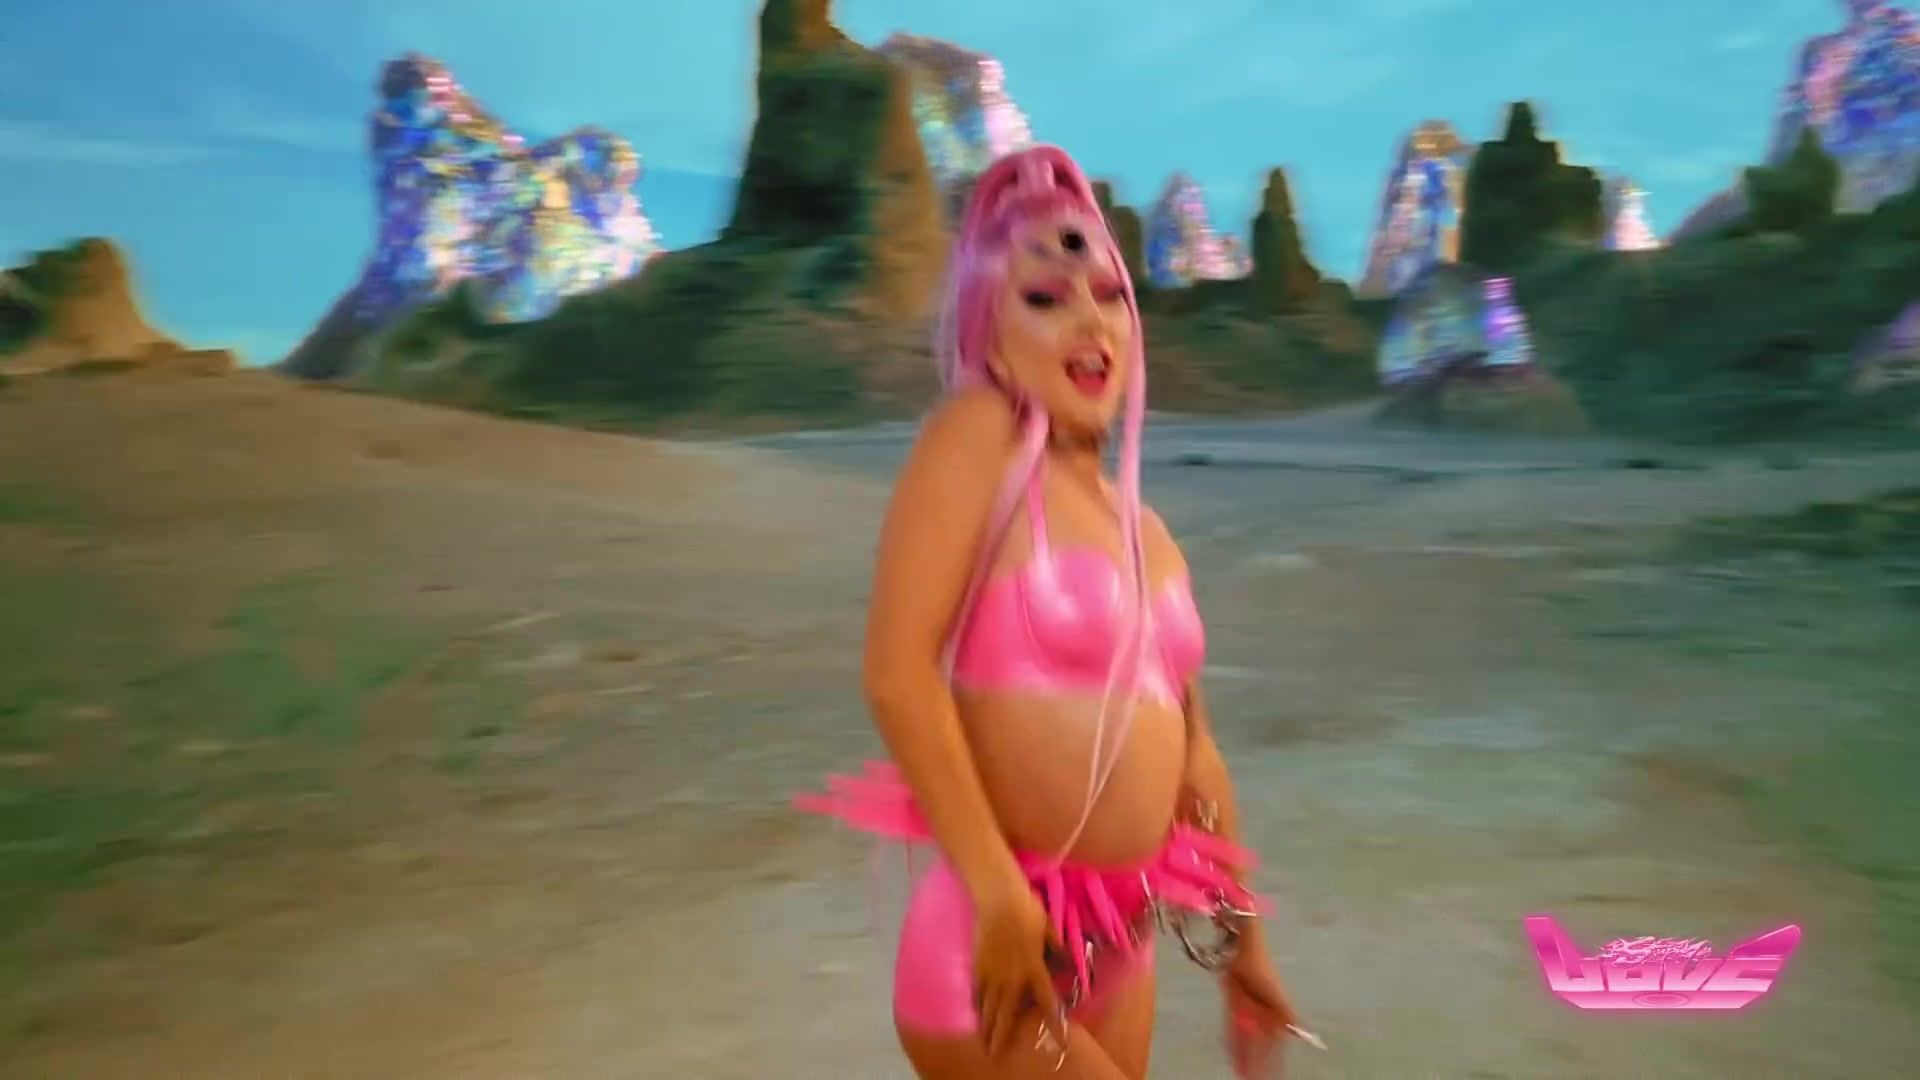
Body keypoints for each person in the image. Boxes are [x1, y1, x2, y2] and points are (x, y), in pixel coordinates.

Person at [797, 145, 1305, 1078]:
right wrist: (997, 892)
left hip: (1123, 945)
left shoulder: (1148, 531)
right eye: (1044, 298)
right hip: (1000, 947)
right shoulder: (979, 439)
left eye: (1109, 294)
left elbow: (1197, 764)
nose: (1090, 320)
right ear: (990, 333)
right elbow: (897, 673)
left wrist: (1247, 953)